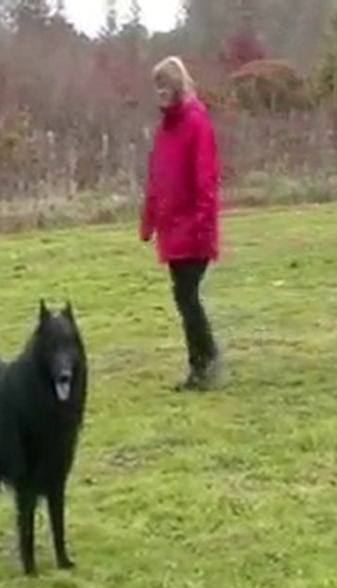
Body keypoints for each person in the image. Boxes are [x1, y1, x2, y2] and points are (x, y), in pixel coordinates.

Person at [140, 56, 224, 392]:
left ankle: (205, 362)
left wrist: (202, 224)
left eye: (164, 86)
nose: (159, 92)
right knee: (184, 296)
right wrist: (148, 220)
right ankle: (204, 361)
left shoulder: (196, 123)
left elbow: (206, 179)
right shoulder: (165, 129)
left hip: (193, 229)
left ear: (176, 86)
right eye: (156, 86)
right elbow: (156, 178)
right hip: (172, 229)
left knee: (186, 295)